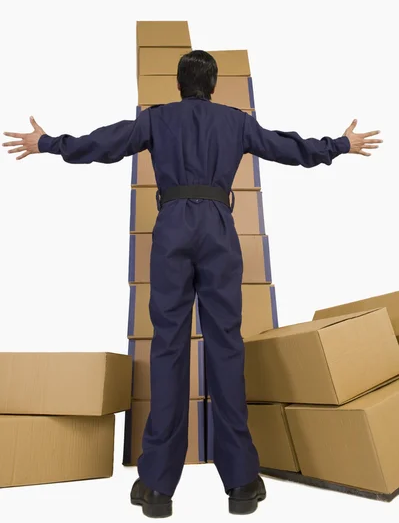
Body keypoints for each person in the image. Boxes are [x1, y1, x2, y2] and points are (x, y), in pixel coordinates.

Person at [3, 51, 382, 518]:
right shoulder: (236, 121)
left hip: (172, 230)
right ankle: (242, 484)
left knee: (168, 348)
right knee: (226, 348)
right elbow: (288, 148)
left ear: (178, 85)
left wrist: (49, 143)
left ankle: (158, 487)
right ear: (215, 85)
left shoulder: (156, 120)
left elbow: (105, 143)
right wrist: (340, 145)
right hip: (220, 230)